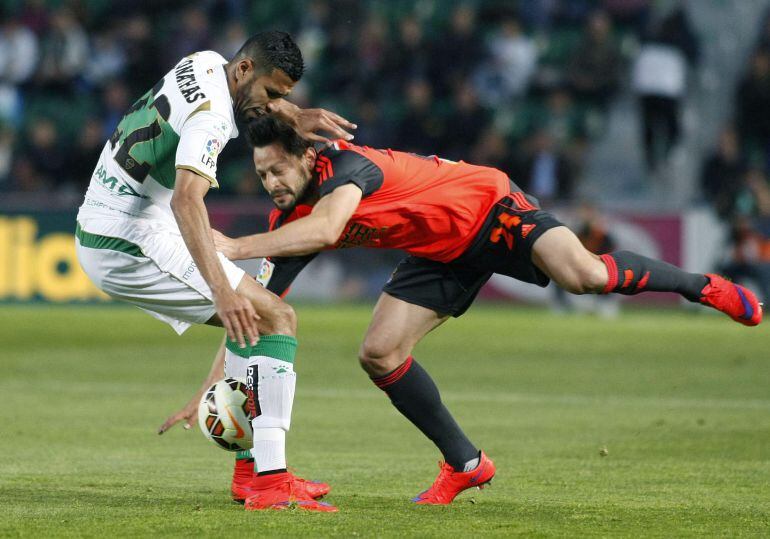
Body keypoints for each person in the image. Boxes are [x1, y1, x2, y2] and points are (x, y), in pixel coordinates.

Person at [203, 116, 762, 507]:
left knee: (585, 275)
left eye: (278, 171)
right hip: (441, 252)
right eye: (261, 176)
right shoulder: (289, 222)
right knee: (379, 353)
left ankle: (703, 287)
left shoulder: (348, 168)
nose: (271, 184)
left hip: (488, 206)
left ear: (308, 155)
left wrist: (231, 245)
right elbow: (257, 311)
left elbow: (327, 228)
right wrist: (210, 386)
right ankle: (466, 464)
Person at [75, 31, 356, 513]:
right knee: (274, 317)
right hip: (126, 236)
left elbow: (248, 97)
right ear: (245, 71)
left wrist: (293, 112)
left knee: (256, 316)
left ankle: (252, 476)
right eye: (273, 93)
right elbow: (188, 199)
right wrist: (223, 293)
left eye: (283, 96)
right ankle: (270, 481)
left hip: (124, 215)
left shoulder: (206, 62)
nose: (275, 104)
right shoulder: (211, 117)